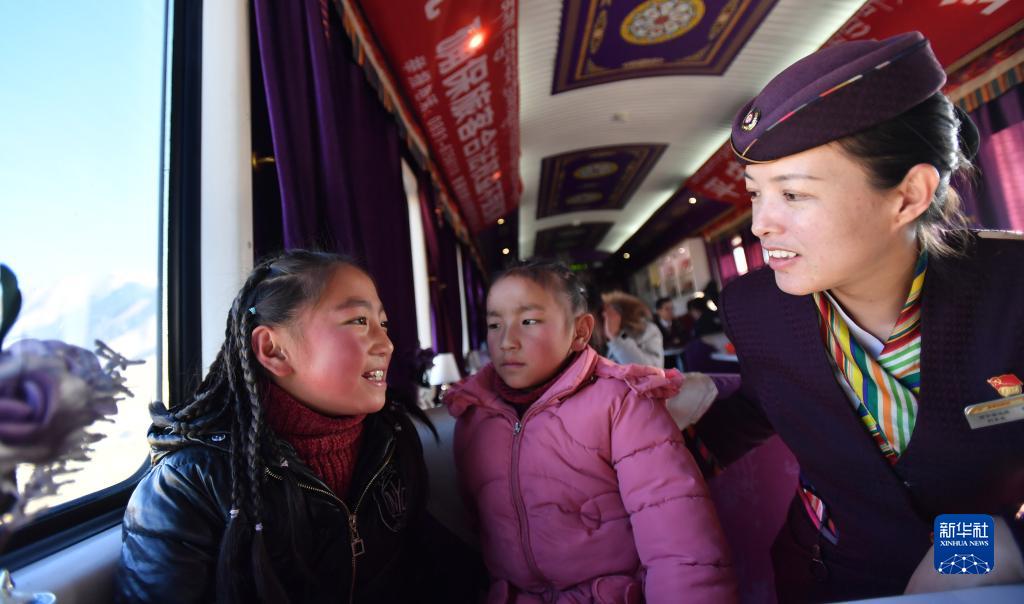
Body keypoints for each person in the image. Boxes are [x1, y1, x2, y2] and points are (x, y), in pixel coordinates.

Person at [679, 31, 1024, 601]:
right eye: (754, 194)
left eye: (792, 195)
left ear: (909, 195)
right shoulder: (756, 308)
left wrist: (977, 542)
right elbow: (775, 403)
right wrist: (635, 434)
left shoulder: (1010, 291)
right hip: (823, 572)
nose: (761, 224)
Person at [116, 250, 480, 603]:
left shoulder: (391, 440)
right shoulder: (187, 485)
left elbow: (418, 572)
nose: (385, 343)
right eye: (359, 321)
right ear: (273, 350)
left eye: (382, 324)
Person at [444, 259, 736, 603]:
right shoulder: (474, 418)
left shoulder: (624, 404)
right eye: (494, 324)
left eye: (528, 321)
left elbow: (682, 548)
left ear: (580, 331)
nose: (507, 341)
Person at [602, 290, 664, 367]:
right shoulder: (601, 337)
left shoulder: (649, 330)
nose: (605, 316)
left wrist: (616, 337)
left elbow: (653, 368)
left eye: (608, 312)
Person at [654, 296, 691, 369]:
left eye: (672, 308)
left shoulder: (678, 323)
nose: (671, 312)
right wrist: (674, 342)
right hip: (663, 360)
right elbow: (657, 344)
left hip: (680, 355)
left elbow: (686, 338)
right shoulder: (654, 327)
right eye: (667, 309)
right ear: (659, 311)